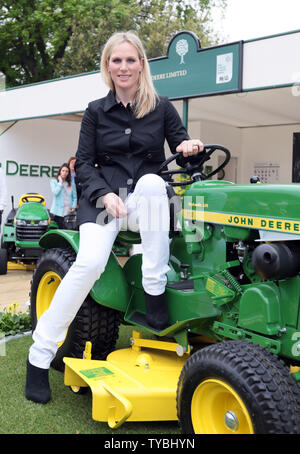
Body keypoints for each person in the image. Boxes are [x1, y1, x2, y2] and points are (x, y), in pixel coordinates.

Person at [25, 31, 203, 404]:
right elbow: (84, 165)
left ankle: (155, 294)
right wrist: (105, 195)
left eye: (130, 60)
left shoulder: (163, 107)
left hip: (144, 204)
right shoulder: (94, 111)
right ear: (108, 66)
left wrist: (189, 148)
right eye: (116, 60)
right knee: (88, 263)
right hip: (103, 202)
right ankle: (39, 357)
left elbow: (183, 156)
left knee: (156, 182)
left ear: (142, 65)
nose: (123, 67)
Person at [49, 163, 77, 229]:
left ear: (68, 173)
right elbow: (55, 192)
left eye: (66, 171)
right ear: (60, 171)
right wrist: (60, 182)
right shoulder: (54, 182)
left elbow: (75, 197)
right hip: (57, 212)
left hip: (68, 212)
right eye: (63, 170)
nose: (64, 173)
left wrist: (73, 206)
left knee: (67, 231)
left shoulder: (71, 183)